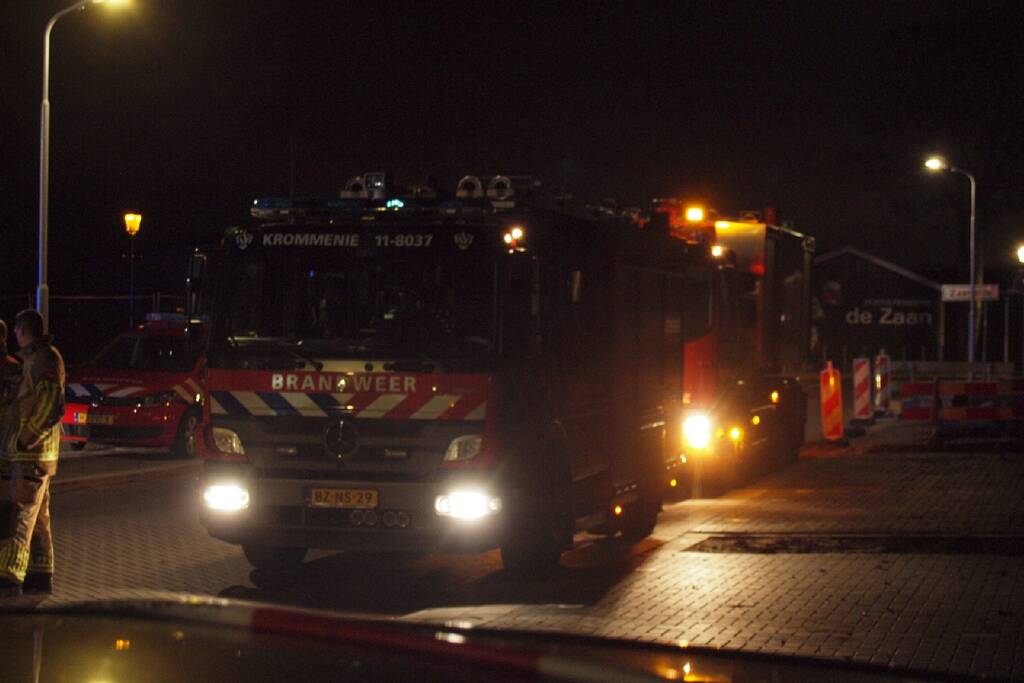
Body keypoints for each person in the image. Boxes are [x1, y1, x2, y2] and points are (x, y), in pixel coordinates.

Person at [0, 310, 65, 596]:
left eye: (15, 331)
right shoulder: (37, 358)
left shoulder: (43, 359)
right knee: (39, 519)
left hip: (31, 454)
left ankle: (8, 577)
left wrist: (26, 440)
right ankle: (40, 574)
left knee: (20, 515)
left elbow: (51, 402)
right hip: (36, 454)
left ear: (21, 330)